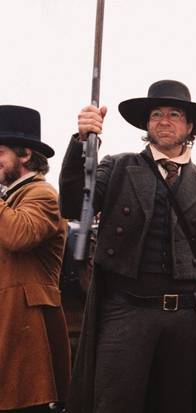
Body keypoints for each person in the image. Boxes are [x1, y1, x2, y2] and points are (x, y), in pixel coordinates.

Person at [60, 79, 196, 413]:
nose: (164, 120)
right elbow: (73, 205)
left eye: (174, 114)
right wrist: (82, 143)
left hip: (185, 318)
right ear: (147, 124)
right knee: (115, 403)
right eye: (156, 114)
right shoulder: (116, 167)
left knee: (175, 405)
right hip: (127, 311)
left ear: (189, 126)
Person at [0, 105, 70, 412]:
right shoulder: (8, 200)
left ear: (24, 154)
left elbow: (19, 235)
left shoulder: (43, 194)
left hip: (25, 334)